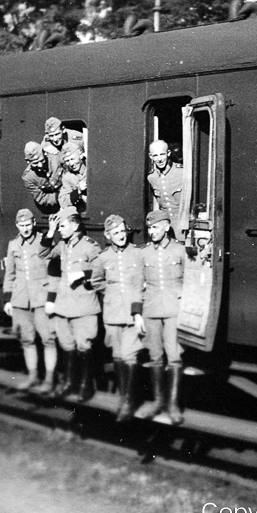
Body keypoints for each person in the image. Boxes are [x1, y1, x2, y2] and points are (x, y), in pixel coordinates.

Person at [43, 206, 103, 402]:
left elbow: (103, 268)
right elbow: (43, 254)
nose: (60, 229)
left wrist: (83, 274)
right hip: (63, 305)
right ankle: (69, 383)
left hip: (84, 306)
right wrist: (51, 231)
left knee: (84, 346)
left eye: (62, 225)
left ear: (75, 225)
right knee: (67, 345)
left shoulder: (90, 246)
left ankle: (85, 385)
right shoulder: (63, 245)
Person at [90, 214, 146, 422]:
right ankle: (124, 398)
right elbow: (96, 281)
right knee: (118, 356)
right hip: (113, 313)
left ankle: (128, 401)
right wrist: (112, 294)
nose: (121, 236)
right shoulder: (102, 258)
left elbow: (141, 282)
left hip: (133, 312)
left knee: (130, 356)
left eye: (123, 232)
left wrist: (136, 308)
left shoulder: (137, 254)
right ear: (108, 236)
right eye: (116, 233)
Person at [136, 209, 186, 425]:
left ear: (166, 227)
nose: (151, 231)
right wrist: (137, 314)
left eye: (155, 227)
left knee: (174, 357)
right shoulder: (143, 253)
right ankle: (158, 401)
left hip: (175, 309)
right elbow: (136, 285)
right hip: (151, 309)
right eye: (149, 227)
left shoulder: (180, 251)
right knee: (155, 357)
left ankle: (172, 405)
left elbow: (190, 280)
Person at [3, 208, 59, 393]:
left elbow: (53, 268)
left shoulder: (44, 241)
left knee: (48, 339)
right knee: (27, 340)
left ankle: (49, 381)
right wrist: (7, 299)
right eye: (22, 225)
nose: (25, 229)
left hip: (42, 297)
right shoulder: (13, 245)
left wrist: (52, 296)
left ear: (34, 223)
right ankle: (33, 377)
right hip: (20, 298)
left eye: (28, 225)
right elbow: (9, 273)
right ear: (17, 226)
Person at [147, 139, 184, 235]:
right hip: (165, 229)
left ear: (168, 153)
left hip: (183, 226)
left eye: (162, 154)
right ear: (150, 156)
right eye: (155, 155)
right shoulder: (151, 177)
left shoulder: (182, 172)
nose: (159, 159)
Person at [21, 141, 61, 215]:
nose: (40, 165)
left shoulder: (56, 158)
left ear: (45, 153)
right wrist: (61, 196)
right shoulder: (28, 177)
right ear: (28, 161)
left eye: (42, 161)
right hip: (53, 207)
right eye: (35, 163)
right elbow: (42, 198)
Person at [58, 141, 87, 213]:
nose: (71, 164)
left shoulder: (89, 169)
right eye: (67, 161)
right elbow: (63, 201)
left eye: (72, 159)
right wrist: (78, 191)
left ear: (80, 155)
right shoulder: (67, 177)